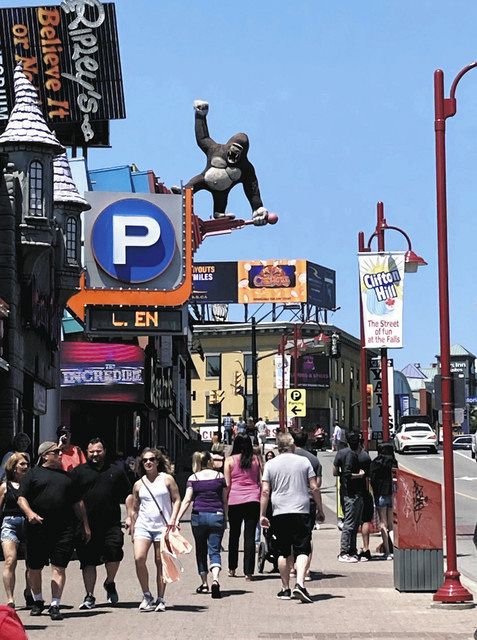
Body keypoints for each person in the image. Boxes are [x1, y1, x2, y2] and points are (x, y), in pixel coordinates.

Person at [17, 441, 90, 621]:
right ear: (45, 456)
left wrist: (85, 526)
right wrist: (30, 513)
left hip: (63, 530)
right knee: (34, 567)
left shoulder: (68, 478)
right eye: (56, 452)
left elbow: (78, 503)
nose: (59, 454)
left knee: (59, 567)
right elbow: (21, 498)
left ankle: (55, 604)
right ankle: (38, 601)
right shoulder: (32, 475)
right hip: (37, 528)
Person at [260, 432, 323, 604]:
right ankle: (300, 584)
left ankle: (285, 588)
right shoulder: (304, 462)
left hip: (279, 511)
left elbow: (265, 491)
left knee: (283, 551)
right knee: (303, 549)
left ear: (279, 447)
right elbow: (314, 487)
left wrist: (262, 514)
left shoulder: (270, 464)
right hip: (301, 509)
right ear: (292, 445)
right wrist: (320, 509)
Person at [69, 438, 131, 609]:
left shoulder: (116, 471)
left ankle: (109, 582)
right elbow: (72, 499)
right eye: (91, 451)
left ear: (104, 451)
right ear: (87, 453)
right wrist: (81, 524)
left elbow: (128, 494)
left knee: (115, 553)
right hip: (86, 525)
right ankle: (89, 595)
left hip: (111, 524)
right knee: (88, 561)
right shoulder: (78, 472)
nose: (95, 454)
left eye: (98, 451)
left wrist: (130, 515)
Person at [127, 448, 181, 612]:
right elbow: (135, 506)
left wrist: (173, 519)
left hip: (162, 527)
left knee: (160, 562)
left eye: (151, 459)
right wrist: (131, 521)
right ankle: (146, 595)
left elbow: (177, 499)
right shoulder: (139, 484)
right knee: (139, 558)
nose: (148, 462)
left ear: (157, 461)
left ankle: (161, 598)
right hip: (144, 525)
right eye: (144, 460)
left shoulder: (167, 479)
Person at [175, 451, 227, 598]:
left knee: (201, 549)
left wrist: (177, 518)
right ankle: (216, 579)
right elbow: (224, 500)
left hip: (198, 517)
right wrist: (225, 517)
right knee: (214, 550)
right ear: (210, 461)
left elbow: (187, 500)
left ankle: (204, 583)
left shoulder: (193, 478)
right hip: (216, 515)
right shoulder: (219, 477)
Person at [224, 434, 261, 580]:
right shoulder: (256, 460)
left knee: (234, 534)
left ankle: (232, 568)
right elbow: (259, 480)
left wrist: (224, 503)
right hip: (253, 499)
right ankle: (248, 572)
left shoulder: (230, 461)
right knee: (250, 536)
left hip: (235, 499)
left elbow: (227, 485)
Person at [291, 431, 324, 580]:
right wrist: (320, 508)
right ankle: (306, 570)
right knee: (306, 536)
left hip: (289, 501)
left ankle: (292, 567)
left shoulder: (287, 458)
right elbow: (317, 485)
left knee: (290, 535)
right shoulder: (313, 460)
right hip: (308, 501)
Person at [0, 453, 30, 608]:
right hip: (9, 523)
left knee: (31, 563)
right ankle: (10, 599)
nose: (25, 467)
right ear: (13, 467)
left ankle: (29, 591)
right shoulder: (5, 486)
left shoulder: (31, 484)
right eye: (22, 464)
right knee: (10, 560)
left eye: (26, 464)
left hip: (28, 523)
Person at [333, 432, 365, 563]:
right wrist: (359, 475)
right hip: (354, 492)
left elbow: (335, 472)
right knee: (351, 523)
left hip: (345, 491)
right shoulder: (357, 454)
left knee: (351, 522)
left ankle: (351, 550)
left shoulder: (340, 453)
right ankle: (345, 551)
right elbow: (348, 474)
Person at [369, 442, 398, 559]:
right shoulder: (393, 462)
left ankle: (387, 551)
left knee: (382, 524)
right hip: (391, 495)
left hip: (380, 495)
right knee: (391, 525)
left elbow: (371, 479)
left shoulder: (375, 463)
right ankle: (396, 549)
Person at [356, 433, 374, 562]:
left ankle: (350, 549)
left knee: (351, 522)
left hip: (350, 493)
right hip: (364, 491)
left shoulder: (346, 455)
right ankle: (366, 547)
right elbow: (369, 477)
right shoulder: (365, 457)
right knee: (365, 520)